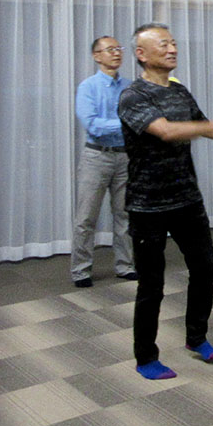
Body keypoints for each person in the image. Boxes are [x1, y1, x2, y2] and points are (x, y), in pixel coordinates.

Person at [118, 22, 213, 380]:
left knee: (204, 270)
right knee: (151, 285)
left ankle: (196, 337)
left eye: (173, 43)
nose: (172, 49)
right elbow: (166, 131)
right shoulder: (132, 96)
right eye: (163, 44)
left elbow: (208, 128)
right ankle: (145, 357)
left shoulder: (179, 91)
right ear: (141, 54)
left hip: (187, 199)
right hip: (147, 205)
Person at [72, 36, 136, 288]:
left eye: (119, 48)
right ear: (96, 56)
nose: (116, 53)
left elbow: (138, 120)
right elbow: (93, 125)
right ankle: (81, 271)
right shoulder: (88, 87)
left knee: (125, 215)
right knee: (86, 217)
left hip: (125, 156)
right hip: (96, 157)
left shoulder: (130, 86)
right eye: (110, 49)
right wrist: (126, 123)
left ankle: (125, 266)